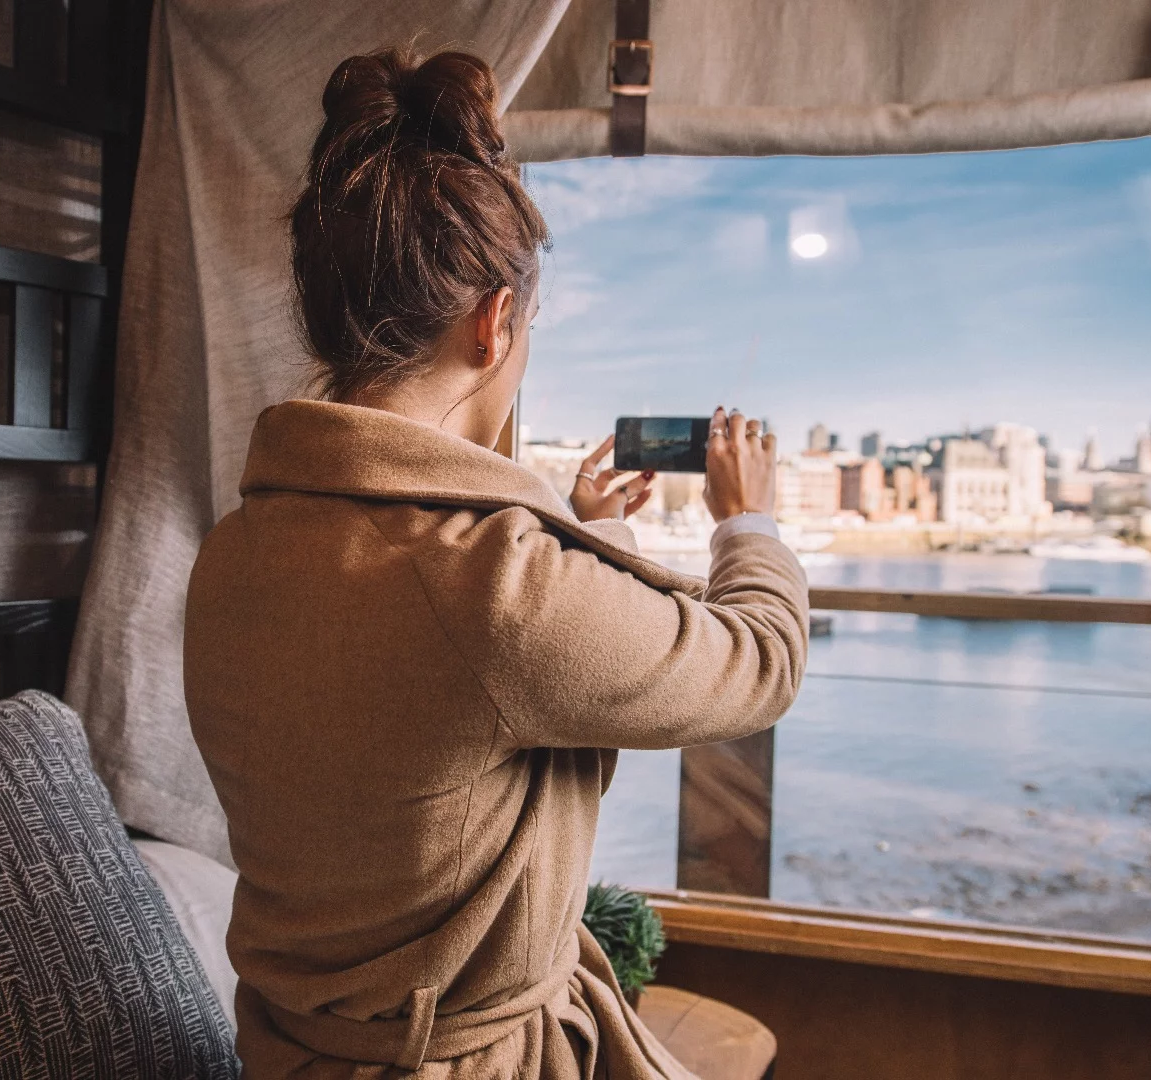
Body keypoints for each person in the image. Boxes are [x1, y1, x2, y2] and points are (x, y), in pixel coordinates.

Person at [183, 45, 809, 1080]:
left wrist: (587, 535)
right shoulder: (486, 580)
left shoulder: (240, 543)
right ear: (496, 321)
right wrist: (749, 523)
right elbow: (758, 664)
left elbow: (443, 687)